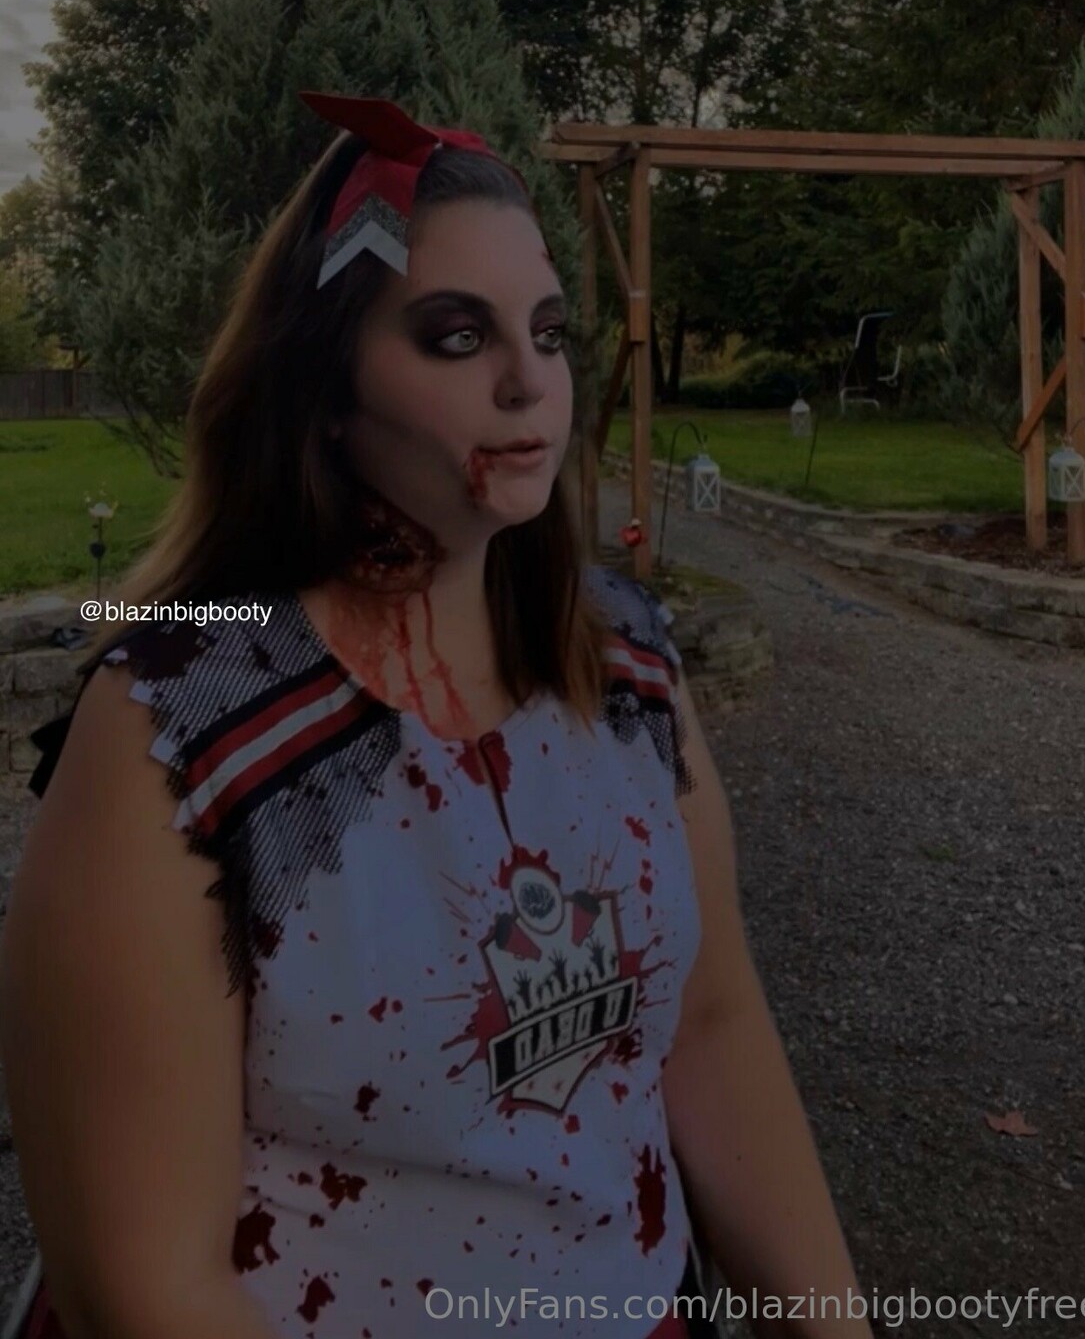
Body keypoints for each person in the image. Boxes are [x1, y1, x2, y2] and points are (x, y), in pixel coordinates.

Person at [0, 94, 874, 1339]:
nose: (529, 383)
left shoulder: (627, 666)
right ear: (324, 386)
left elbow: (711, 1028)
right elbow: (142, 1291)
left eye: (549, 333)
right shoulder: (180, 733)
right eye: (456, 337)